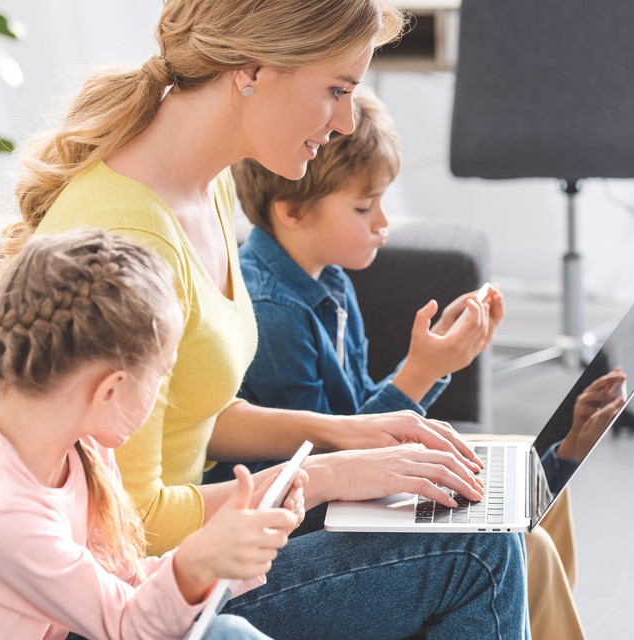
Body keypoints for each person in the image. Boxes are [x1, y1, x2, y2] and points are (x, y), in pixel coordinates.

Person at [0, 0, 530, 637]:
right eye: (336, 89)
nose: (345, 120)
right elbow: (123, 527)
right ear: (254, 69)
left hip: (197, 552)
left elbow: (186, 412)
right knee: (478, 550)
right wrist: (327, 475)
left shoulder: (202, 185)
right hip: (144, 595)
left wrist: (346, 434)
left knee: (486, 522)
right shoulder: (130, 244)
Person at [224, 86, 587, 640]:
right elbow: (321, 460)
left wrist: (432, 365)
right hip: (303, 519)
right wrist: (419, 373)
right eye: (364, 206)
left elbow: (355, 415)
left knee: (529, 475)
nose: (383, 222)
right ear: (292, 211)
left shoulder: (329, 280)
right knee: (523, 540)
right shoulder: (273, 312)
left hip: (343, 484)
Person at [0, 230, 294, 640]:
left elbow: (125, 587)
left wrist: (223, 553)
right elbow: (128, 626)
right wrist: (195, 560)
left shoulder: (81, 449)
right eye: (161, 376)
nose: (164, 393)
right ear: (108, 390)